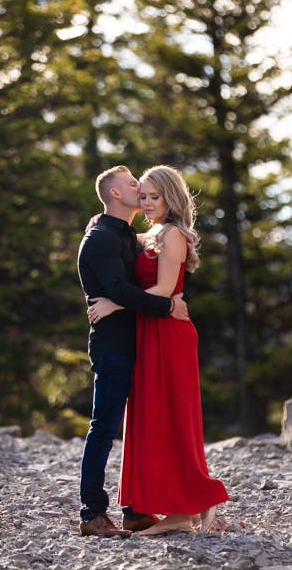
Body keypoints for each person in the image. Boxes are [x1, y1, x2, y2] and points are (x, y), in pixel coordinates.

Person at [87, 165, 228, 535]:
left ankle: (200, 496)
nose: (146, 201)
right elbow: (118, 248)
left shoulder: (171, 234)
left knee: (174, 419)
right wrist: (96, 223)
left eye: (153, 196)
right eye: (142, 193)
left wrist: (114, 305)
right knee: (153, 421)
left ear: (170, 197)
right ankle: (175, 513)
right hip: (147, 333)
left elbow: (164, 291)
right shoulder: (145, 234)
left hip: (166, 332)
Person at [76, 165, 190, 538]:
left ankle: (137, 511)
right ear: (114, 194)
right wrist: (169, 306)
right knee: (105, 426)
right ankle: (92, 513)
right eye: (133, 187)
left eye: (147, 191)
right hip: (115, 345)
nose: (140, 190)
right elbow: (121, 292)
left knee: (140, 426)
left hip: (141, 341)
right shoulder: (101, 238)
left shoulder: (125, 233)